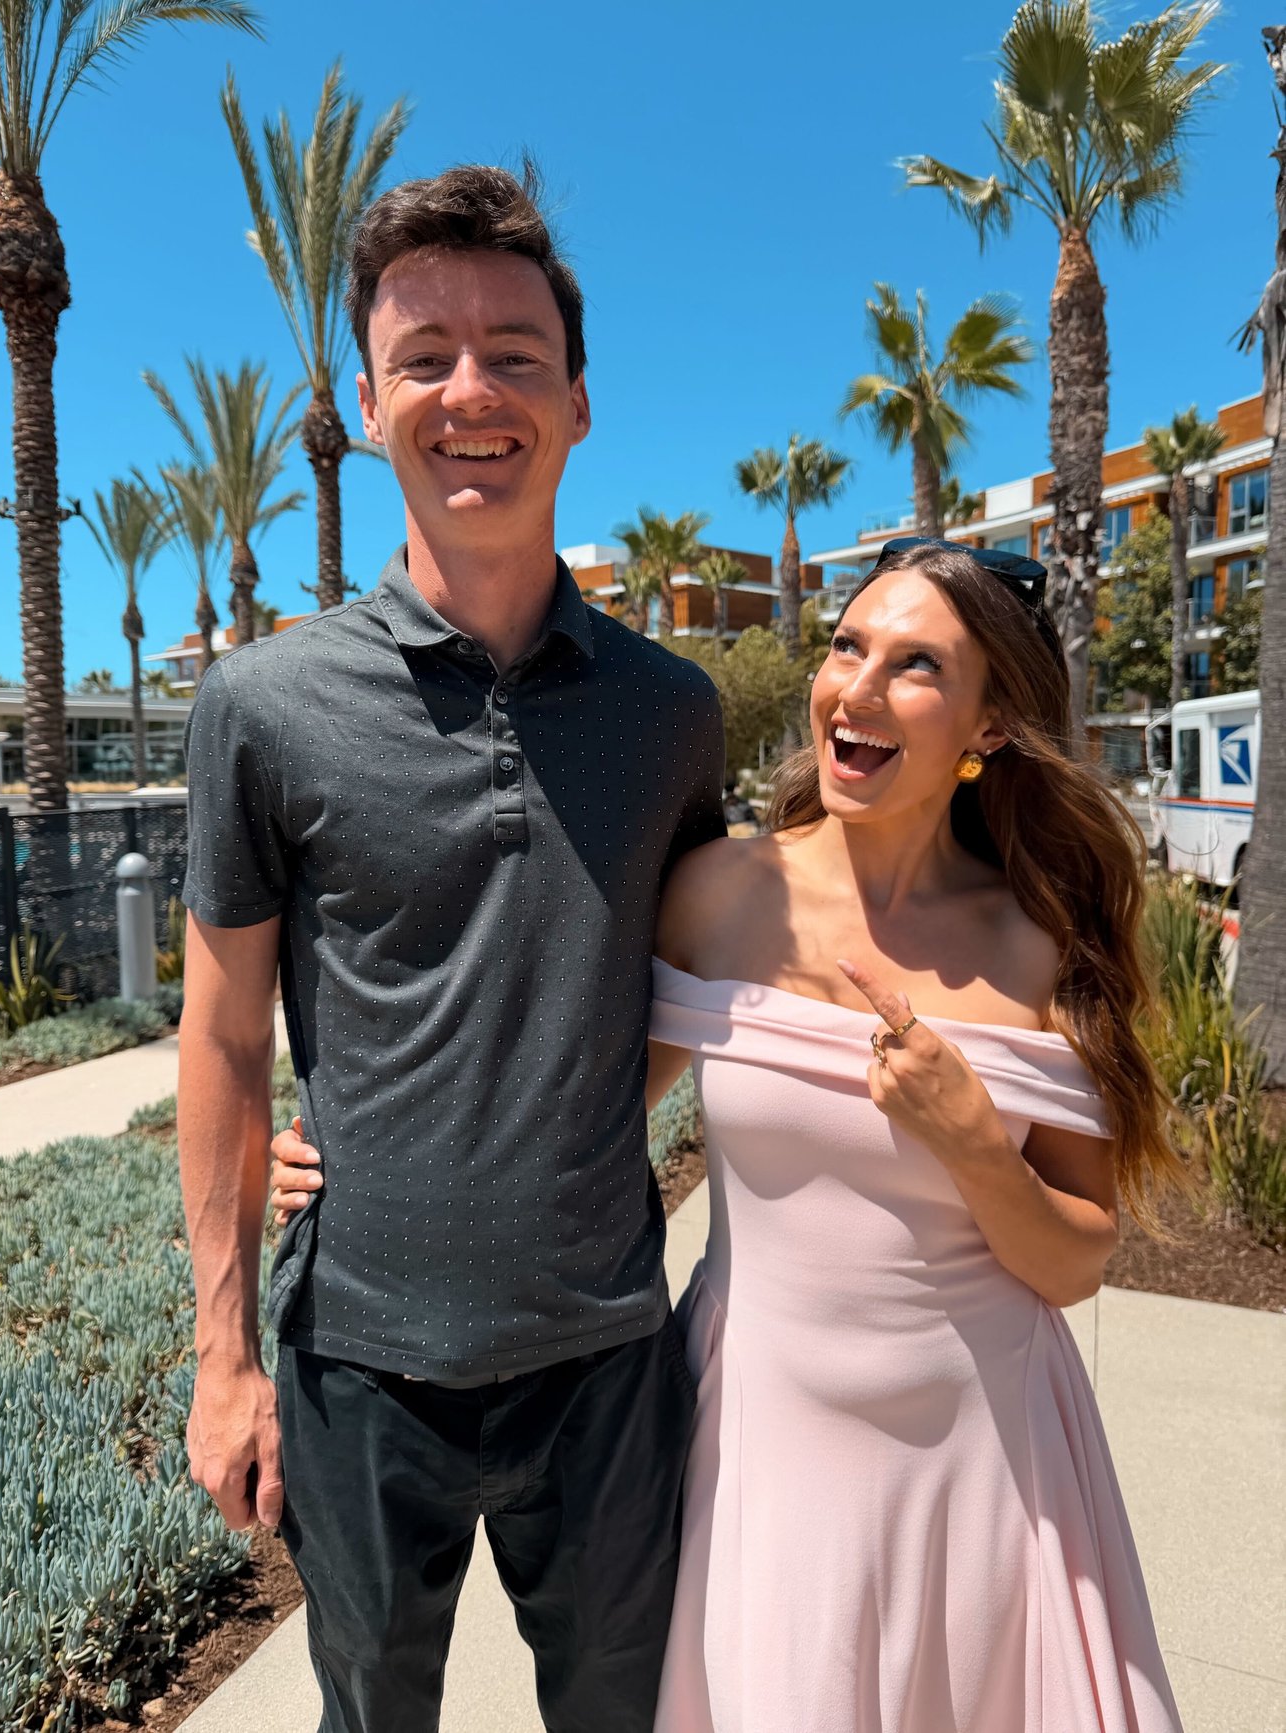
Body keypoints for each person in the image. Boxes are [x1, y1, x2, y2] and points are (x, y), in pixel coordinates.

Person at [275, 536, 1187, 1732]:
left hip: (982, 1451)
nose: (856, 689)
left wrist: (971, 1140)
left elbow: (1073, 1257)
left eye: (915, 665)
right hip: (760, 1438)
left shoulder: (1044, 943)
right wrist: (360, 1148)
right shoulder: (716, 894)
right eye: (847, 646)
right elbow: (580, 1097)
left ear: (992, 724)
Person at [178, 162, 724, 1733]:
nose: (470, 390)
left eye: (514, 353)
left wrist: (555, 1111)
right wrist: (223, 1358)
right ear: (367, 404)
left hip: (607, 1359)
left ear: (578, 404)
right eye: (424, 357)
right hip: (355, 1366)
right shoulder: (263, 706)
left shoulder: (672, 715)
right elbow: (223, 1038)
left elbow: (689, 979)